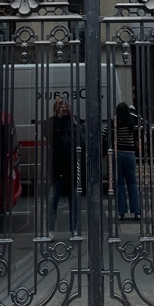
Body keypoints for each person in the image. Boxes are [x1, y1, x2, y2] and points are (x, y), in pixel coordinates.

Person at [47, 97, 83, 237]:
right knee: (52, 200)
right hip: (57, 167)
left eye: (65, 104)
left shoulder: (72, 120)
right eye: (59, 104)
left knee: (74, 201)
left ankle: (73, 229)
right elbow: (51, 137)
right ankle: (51, 230)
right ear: (55, 108)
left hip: (72, 166)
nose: (63, 107)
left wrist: (71, 118)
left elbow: (80, 136)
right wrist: (60, 118)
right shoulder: (52, 122)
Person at [113, 101, 141, 221]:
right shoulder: (131, 123)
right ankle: (136, 211)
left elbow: (105, 134)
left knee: (120, 184)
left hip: (118, 153)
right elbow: (137, 136)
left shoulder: (115, 123)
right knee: (132, 183)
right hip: (130, 154)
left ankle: (121, 212)